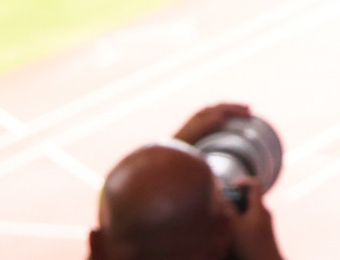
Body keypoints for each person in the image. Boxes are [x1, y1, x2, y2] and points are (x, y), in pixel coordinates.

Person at [88, 103, 283, 260]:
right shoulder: (245, 249)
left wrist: (169, 156)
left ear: (97, 246)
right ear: (222, 236)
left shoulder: (104, 250)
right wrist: (266, 254)